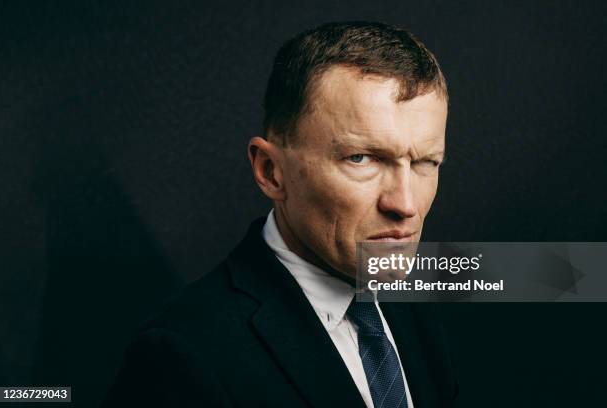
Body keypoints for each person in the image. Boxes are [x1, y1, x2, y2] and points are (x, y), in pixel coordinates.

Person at [102, 21, 458, 408]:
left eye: (426, 162)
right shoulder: (182, 357)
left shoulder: (419, 305)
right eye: (362, 158)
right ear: (271, 172)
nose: (406, 204)